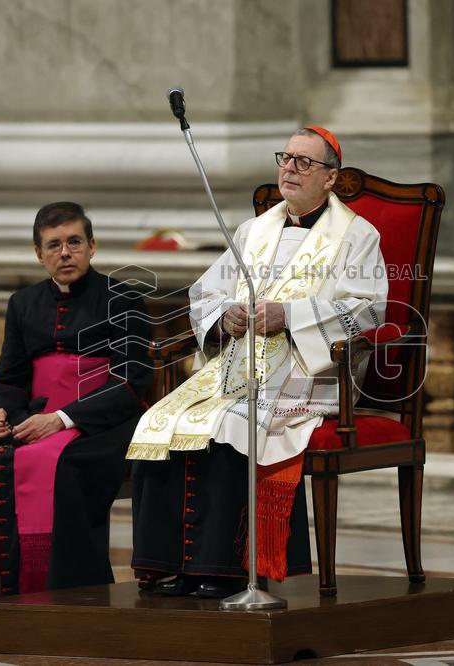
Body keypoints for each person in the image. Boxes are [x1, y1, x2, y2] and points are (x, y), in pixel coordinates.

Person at [127, 127, 388, 598]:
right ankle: (167, 566)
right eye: (285, 158)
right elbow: (205, 292)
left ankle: (224, 569)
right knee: (157, 422)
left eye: (303, 162)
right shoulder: (255, 229)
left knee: (233, 422)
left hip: (311, 371)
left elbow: (369, 311)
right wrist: (225, 316)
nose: (289, 168)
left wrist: (287, 315)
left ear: (331, 178)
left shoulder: (356, 235)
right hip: (237, 364)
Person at [0, 202, 151, 622]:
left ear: (92, 247)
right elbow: (8, 378)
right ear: (39, 254)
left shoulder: (123, 298)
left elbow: (132, 384)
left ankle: (74, 597)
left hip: (102, 422)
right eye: (54, 245)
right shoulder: (23, 303)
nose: (66, 253)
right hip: (35, 416)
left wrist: (63, 419)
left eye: (75, 242)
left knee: (63, 466)